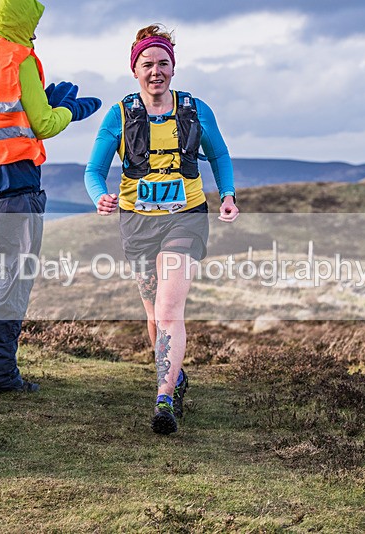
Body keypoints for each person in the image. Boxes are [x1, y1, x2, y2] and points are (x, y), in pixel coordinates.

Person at [84, 24, 239, 434]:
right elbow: (93, 170)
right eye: (148, 64)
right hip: (137, 222)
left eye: (163, 63)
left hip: (185, 217)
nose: (156, 71)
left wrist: (227, 194)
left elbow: (219, 155)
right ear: (134, 69)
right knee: (153, 315)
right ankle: (176, 376)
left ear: (174, 67)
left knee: (170, 311)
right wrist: (100, 196)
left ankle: (164, 399)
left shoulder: (196, 109)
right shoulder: (120, 115)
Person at [0, 0, 101, 394]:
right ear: (20, 21)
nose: (34, 34)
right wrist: (67, 110)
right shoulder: (21, 59)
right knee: (10, 283)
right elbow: (44, 124)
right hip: (13, 187)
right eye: (32, 24)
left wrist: (36, 103)